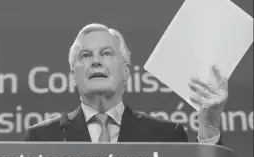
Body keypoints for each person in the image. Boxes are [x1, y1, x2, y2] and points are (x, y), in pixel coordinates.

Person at [23, 23, 228, 144]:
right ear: (72, 76)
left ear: (126, 71)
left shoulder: (166, 135)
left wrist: (209, 126)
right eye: (86, 55)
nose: (95, 61)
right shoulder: (42, 138)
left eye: (106, 53)